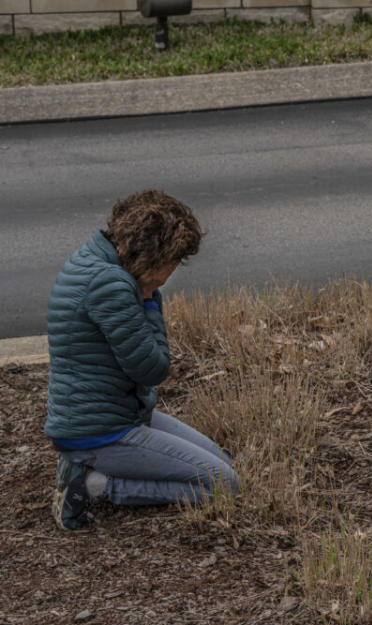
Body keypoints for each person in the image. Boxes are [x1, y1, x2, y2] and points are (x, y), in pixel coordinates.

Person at [46, 190, 238, 530]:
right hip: (100, 432)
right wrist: (149, 299)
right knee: (226, 486)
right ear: (154, 256)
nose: (172, 272)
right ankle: (93, 484)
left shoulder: (92, 258)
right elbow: (152, 369)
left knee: (222, 462)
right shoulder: (112, 285)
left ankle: (84, 467)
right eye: (173, 262)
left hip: (113, 414)